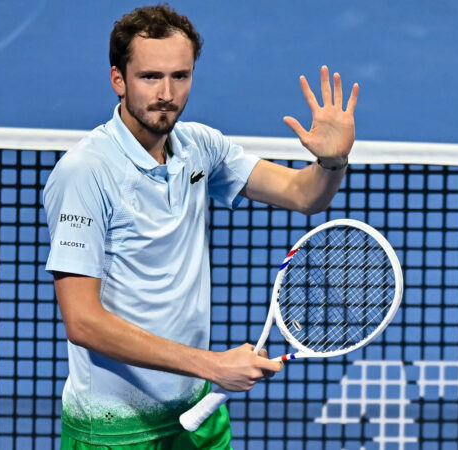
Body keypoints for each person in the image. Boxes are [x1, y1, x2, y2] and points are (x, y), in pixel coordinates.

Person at [43, 5, 358, 450]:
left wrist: (331, 161)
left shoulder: (199, 147)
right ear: (118, 79)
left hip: (196, 416)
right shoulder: (86, 173)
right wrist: (211, 365)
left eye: (180, 76)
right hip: (114, 430)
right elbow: (83, 322)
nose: (167, 93)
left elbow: (303, 194)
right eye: (150, 77)